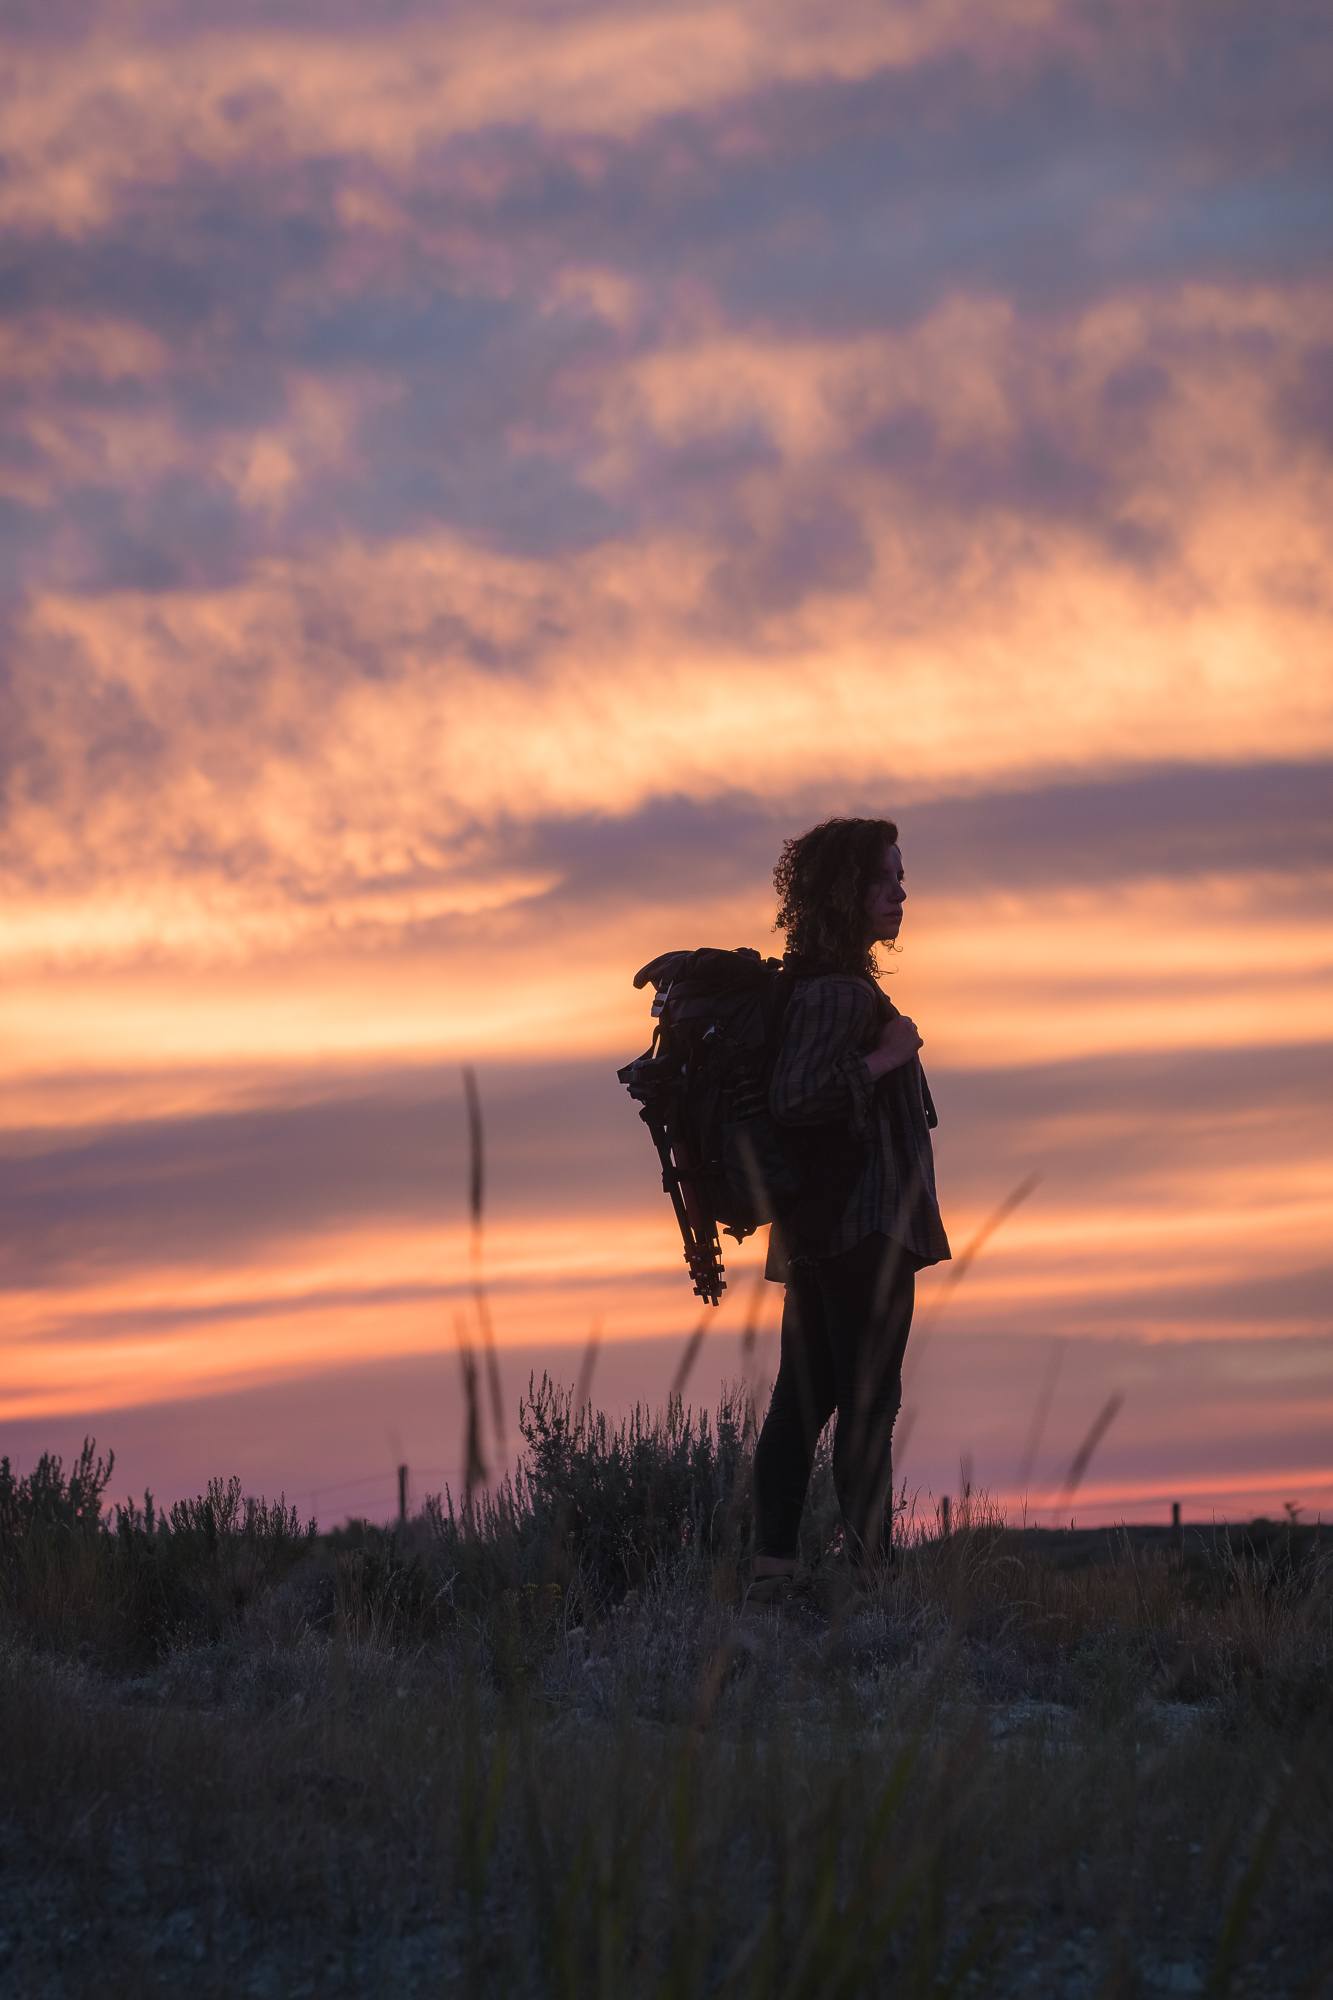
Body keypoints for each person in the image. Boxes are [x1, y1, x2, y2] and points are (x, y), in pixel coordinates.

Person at [745, 815, 952, 1611]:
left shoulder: (827, 983)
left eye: (899, 877)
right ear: (846, 892)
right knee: (865, 1400)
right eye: (885, 878)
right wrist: (888, 1055)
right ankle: (870, 1577)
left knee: (803, 1400)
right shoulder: (834, 992)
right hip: (858, 1231)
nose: (900, 892)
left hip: (831, 1230)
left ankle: (774, 1576)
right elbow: (796, 1097)